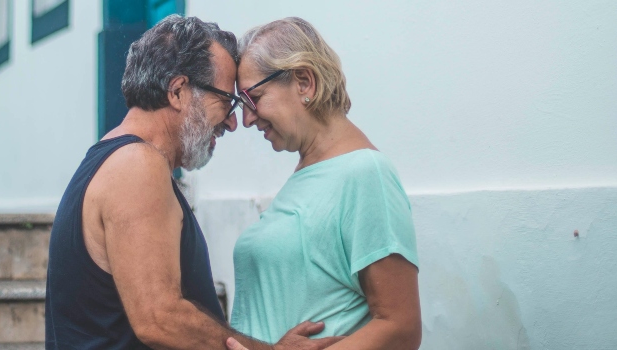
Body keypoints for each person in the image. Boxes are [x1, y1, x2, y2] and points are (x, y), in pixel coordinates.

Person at [45, 15, 341, 349]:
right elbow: (161, 319)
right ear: (178, 91)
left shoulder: (117, 159)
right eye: (226, 102)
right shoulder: (136, 165)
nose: (232, 123)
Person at [226, 17, 422, 350]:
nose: (246, 119)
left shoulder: (365, 173)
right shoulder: (311, 172)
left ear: (304, 82)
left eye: (253, 97)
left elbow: (401, 327)